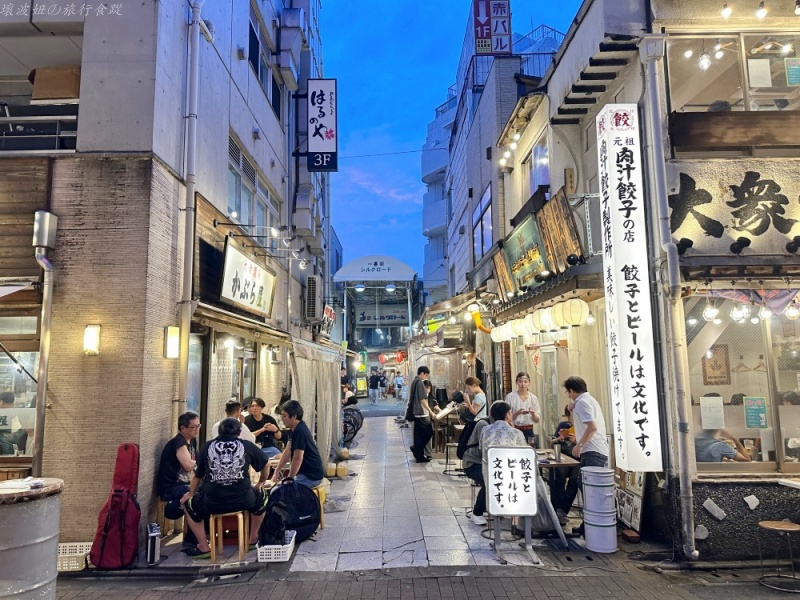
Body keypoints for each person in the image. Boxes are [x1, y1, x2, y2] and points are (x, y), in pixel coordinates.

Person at [181, 418, 271, 558]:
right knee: (263, 497)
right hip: (244, 500)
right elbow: (266, 464)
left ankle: (203, 547)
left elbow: (197, 477)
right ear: (239, 432)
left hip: (212, 502)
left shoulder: (207, 446)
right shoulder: (246, 445)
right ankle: (253, 539)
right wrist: (261, 482)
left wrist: (191, 494)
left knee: (188, 504)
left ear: (219, 431)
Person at [564, 376, 609, 535]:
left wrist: (580, 444)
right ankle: (588, 525)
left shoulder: (583, 403)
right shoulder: (587, 401)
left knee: (590, 490)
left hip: (592, 451)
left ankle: (592, 527)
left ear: (571, 390)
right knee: (584, 486)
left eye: (568, 392)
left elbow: (592, 427)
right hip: (595, 450)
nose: (568, 395)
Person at [479, 401, 528, 536]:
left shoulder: (485, 430)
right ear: (508, 415)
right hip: (511, 473)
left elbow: (481, 449)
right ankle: (515, 523)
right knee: (517, 486)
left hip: (491, 472)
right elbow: (524, 453)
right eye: (511, 412)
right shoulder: (516, 433)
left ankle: (496, 519)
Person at [157, 411, 200, 551]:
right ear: (182, 428)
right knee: (196, 495)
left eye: (198, 426)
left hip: (183, 484)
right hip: (171, 486)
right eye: (193, 427)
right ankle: (191, 540)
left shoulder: (192, 442)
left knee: (203, 491)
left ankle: (198, 536)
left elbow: (197, 463)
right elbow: (188, 465)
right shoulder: (179, 442)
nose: (196, 430)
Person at [270, 400, 325, 488]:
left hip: (310, 477)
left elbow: (298, 458)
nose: (282, 419)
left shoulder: (299, 431)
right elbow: (287, 452)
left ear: (294, 416)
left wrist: (290, 479)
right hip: (306, 475)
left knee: (278, 491)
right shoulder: (294, 429)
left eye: (284, 416)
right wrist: (276, 471)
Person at [550, 405, 580, 525]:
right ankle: (557, 510)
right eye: (569, 415)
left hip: (578, 458)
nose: (570, 418)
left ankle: (562, 510)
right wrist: (559, 439)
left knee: (575, 479)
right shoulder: (563, 425)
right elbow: (552, 442)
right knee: (558, 477)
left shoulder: (583, 427)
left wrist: (577, 441)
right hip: (562, 457)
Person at [463, 409, 491, 526]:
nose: (511, 416)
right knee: (490, 481)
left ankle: (494, 507)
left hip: (484, 462)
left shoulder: (493, 425)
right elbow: (483, 448)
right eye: (510, 413)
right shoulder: (483, 425)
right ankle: (477, 512)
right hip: (473, 463)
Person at [505, 372, 541, 446]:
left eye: (525, 382)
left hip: (529, 430)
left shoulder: (533, 398)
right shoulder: (510, 397)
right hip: (515, 429)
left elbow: (537, 420)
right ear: (516, 382)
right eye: (520, 381)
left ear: (529, 383)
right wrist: (518, 412)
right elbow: (507, 417)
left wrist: (533, 413)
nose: (523, 384)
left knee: (531, 451)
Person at [409, 366, 433, 463]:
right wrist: (430, 411)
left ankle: (419, 455)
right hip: (421, 413)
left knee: (418, 435)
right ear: (422, 373)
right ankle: (416, 449)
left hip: (415, 413)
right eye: (426, 375)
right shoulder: (420, 383)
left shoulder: (414, 382)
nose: (426, 377)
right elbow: (422, 400)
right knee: (429, 432)